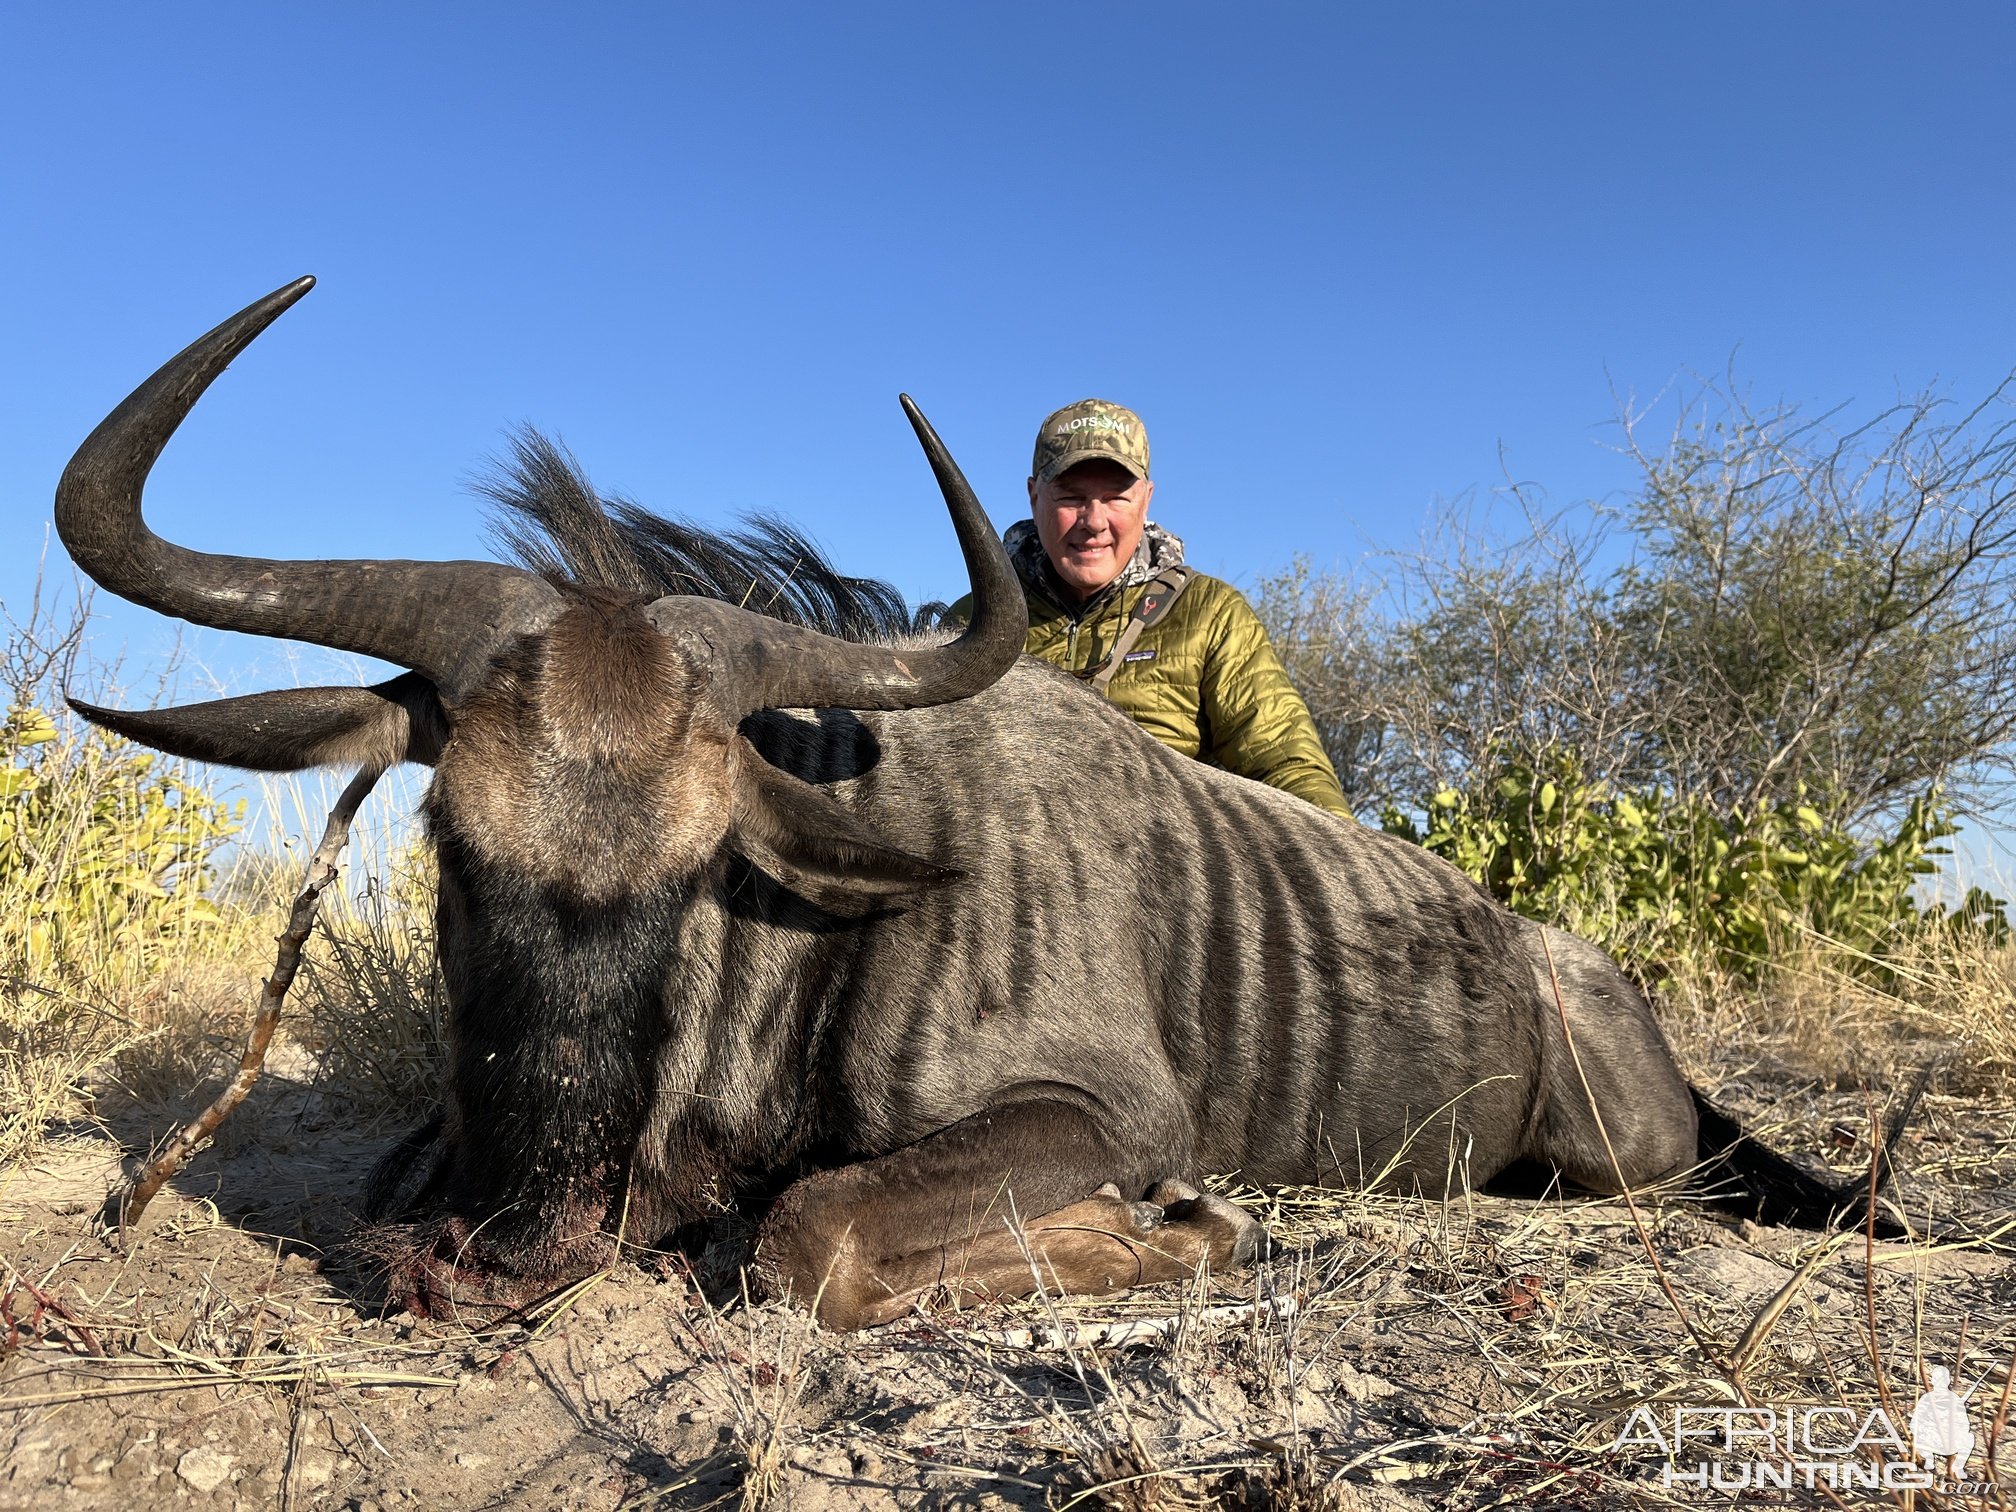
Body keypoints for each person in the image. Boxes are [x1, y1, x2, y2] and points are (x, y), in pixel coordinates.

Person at [947, 398, 1352, 820]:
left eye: (1116, 498)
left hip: (1158, 874)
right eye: (1071, 496)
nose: (1094, 521)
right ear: (1034, 497)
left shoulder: (1210, 612)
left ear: (1146, 498)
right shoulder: (970, 620)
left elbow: (1288, 764)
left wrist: (1348, 870)